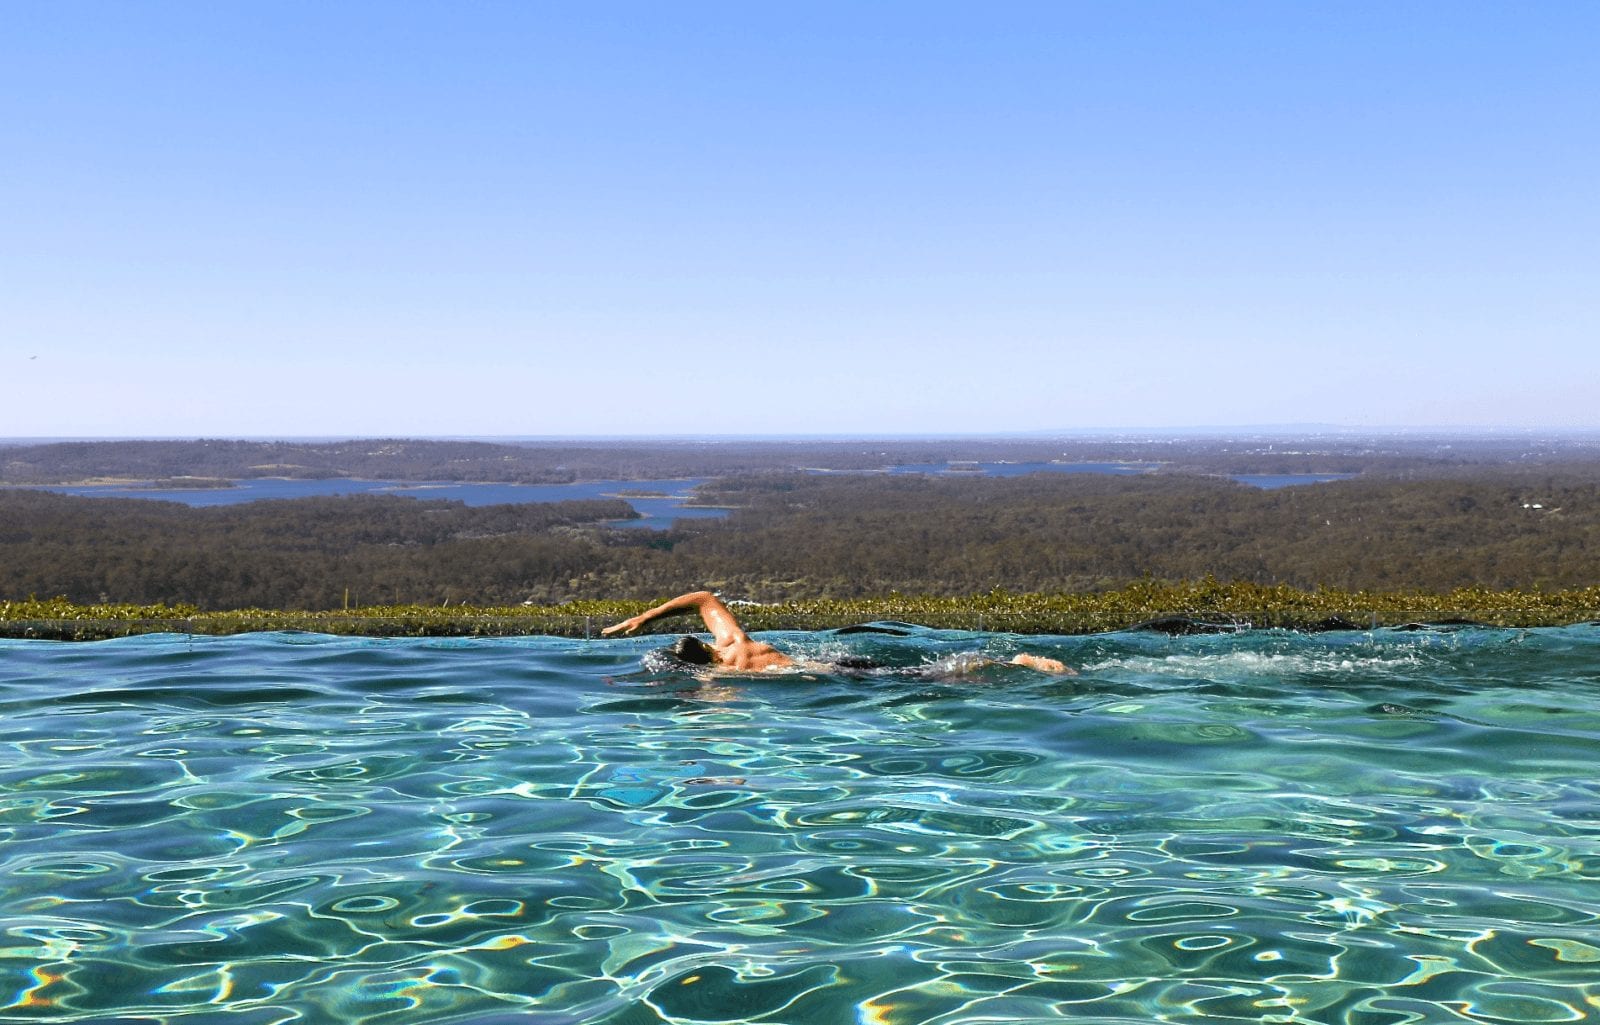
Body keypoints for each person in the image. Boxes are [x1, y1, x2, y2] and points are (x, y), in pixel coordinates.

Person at [601, 590, 1073, 675]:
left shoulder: (722, 677)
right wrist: (647, 617)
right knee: (913, 670)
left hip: (837, 678)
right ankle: (1004, 662)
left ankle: (1017, 663)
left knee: (926, 678)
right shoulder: (734, 642)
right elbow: (704, 598)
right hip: (838, 664)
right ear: (705, 643)